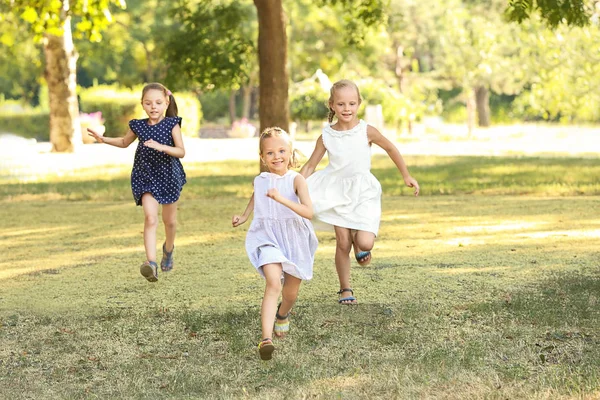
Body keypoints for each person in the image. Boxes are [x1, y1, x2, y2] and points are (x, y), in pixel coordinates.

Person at [299, 79, 419, 305]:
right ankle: (345, 289)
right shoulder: (326, 136)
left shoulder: (367, 131)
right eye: (341, 104)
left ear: (359, 104)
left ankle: (359, 240)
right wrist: (293, 186)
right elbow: (310, 166)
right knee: (342, 243)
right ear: (332, 105)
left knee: (365, 243)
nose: (347, 109)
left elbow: (391, 148)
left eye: (352, 104)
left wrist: (406, 175)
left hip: (363, 191)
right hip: (335, 191)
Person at [232, 127, 318, 361]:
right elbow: (256, 195)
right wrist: (244, 215)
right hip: (267, 236)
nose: (276, 156)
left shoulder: (296, 180)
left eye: (281, 150)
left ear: (290, 152)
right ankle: (266, 339)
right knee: (273, 283)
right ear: (262, 157)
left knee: (290, 293)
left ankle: (283, 314)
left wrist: (281, 198)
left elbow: (308, 212)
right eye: (270, 153)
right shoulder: (260, 180)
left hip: (294, 238)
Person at [87, 82, 186, 282]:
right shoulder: (138, 125)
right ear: (142, 104)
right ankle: (151, 264)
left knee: (170, 221)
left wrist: (161, 147)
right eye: (148, 103)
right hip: (146, 176)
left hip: (169, 176)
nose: (153, 107)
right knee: (150, 218)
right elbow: (124, 142)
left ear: (166, 102)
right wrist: (103, 139)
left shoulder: (171, 124)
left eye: (158, 102)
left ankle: (168, 249)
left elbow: (181, 151)